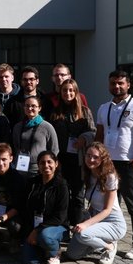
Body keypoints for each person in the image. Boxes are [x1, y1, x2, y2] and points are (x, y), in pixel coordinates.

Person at [95, 69, 133, 260]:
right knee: (110, 205)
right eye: (113, 83)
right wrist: (97, 161)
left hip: (129, 164)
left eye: (121, 83)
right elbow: (99, 135)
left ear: (128, 84)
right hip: (108, 164)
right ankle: (109, 242)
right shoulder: (104, 108)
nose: (117, 86)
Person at [66, 142, 127, 264]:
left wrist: (85, 224)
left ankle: (109, 245)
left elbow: (107, 210)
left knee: (83, 234)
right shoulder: (88, 173)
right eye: (88, 156)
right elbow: (93, 203)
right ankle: (98, 242)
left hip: (113, 222)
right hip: (96, 218)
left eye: (95, 157)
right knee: (72, 254)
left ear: (103, 159)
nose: (91, 159)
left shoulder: (110, 176)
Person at [50, 79, 96, 226]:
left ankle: (77, 227)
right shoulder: (55, 113)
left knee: (77, 195)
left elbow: (93, 132)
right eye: (64, 90)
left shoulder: (84, 111)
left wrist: (84, 137)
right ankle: (62, 227)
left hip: (78, 160)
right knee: (62, 194)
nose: (68, 93)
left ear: (76, 92)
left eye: (71, 90)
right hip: (60, 160)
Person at [22, 151, 69, 264]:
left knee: (45, 236)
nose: (46, 165)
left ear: (56, 164)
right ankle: (43, 250)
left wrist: (36, 231)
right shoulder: (32, 183)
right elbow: (26, 208)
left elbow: (60, 217)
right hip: (36, 226)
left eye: (49, 162)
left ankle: (55, 252)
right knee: (30, 262)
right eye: (42, 163)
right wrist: (30, 231)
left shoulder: (61, 185)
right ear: (38, 165)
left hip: (56, 226)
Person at [12, 95, 59, 178]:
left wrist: (47, 166)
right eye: (27, 106)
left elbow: (54, 150)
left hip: (38, 171)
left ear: (39, 108)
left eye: (33, 106)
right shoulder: (18, 127)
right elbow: (15, 147)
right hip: (20, 169)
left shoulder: (47, 127)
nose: (30, 108)